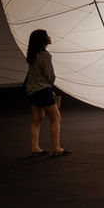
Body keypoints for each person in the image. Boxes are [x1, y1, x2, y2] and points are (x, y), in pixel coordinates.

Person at [23, 29, 69, 157]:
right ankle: (56, 148)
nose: (49, 37)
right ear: (43, 40)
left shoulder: (32, 55)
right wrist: (51, 86)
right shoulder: (45, 55)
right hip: (42, 90)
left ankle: (35, 147)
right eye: (47, 35)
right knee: (56, 118)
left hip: (31, 90)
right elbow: (49, 76)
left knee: (36, 119)